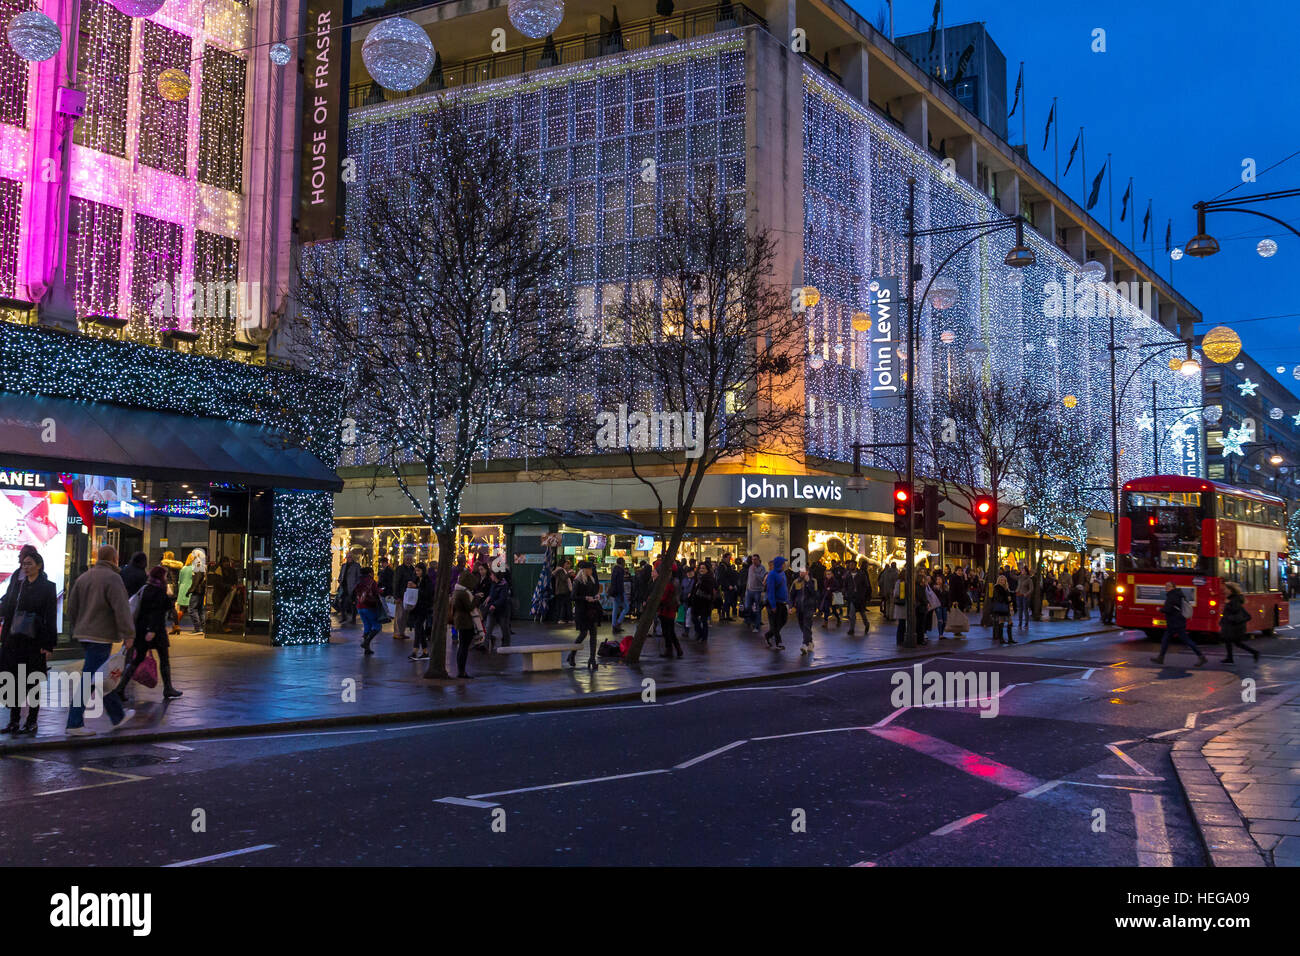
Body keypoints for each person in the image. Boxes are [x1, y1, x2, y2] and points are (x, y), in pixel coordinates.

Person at [64, 545, 136, 736]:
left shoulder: (84, 577)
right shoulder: (113, 578)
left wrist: (79, 624)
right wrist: (129, 634)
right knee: (90, 679)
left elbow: (71, 608)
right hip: (101, 636)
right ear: (115, 559)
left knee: (99, 676)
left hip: (84, 634)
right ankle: (74, 723)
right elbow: (121, 608)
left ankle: (117, 716)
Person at [0, 548, 58, 735]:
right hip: (14, 640)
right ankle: (14, 721)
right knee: (12, 681)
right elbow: (8, 609)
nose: (25, 567)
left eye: (29, 564)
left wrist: (49, 644)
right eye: (23, 564)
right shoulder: (18, 585)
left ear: (39, 566)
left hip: (34, 641)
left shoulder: (48, 586)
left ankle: (32, 721)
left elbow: (50, 616)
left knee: (32, 682)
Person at [119, 565, 182, 701]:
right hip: (155, 631)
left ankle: (121, 688)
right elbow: (157, 612)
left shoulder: (146, 588)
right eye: (164, 575)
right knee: (164, 659)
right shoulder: (158, 591)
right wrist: (152, 630)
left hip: (141, 629)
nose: (166, 578)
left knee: (138, 658)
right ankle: (168, 688)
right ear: (161, 576)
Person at [1152, 582, 1207, 666]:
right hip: (1177, 621)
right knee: (1167, 639)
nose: (1166, 587)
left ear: (1173, 587)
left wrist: (1160, 609)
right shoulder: (1178, 594)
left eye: (1168, 586)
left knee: (1183, 640)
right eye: (1166, 586)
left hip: (1175, 622)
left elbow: (1168, 609)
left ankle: (1201, 657)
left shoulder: (1172, 595)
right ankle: (1160, 658)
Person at [569, 562, 602, 669]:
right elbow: (573, 596)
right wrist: (585, 598)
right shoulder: (578, 581)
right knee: (583, 633)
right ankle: (572, 655)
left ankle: (592, 658)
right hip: (582, 611)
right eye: (590, 569)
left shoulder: (591, 579)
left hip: (591, 610)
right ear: (585, 570)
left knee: (593, 634)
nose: (592, 571)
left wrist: (596, 596)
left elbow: (594, 592)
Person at [1220, 582, 1260, 664]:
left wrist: (1228, 604)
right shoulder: (1234, 598)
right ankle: (1253, 653)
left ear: (1231, 590)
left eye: (1226, 589)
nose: (1224, 590)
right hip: (1233, 624)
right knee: (1234, 642)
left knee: (1231, 641)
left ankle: (1230, 658)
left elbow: (1235, 610)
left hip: (1234, 625)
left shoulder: (1234, 600)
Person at [450, 571, 481, 678]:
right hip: (465, 621)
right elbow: (469, 607)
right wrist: (477, 598)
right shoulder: (463, 593)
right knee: (464, 647)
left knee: (462, 646)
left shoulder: (457, 591)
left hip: (460, 620)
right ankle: (461, 671)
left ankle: (461, 671)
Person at [652, 568, 682, 658]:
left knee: (667, 631)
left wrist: (655, 600)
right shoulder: (673, 583)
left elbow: (664, 598)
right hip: (670, 610)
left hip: (666, 610)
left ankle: (670, 649)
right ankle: (677, 649)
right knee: (671, 631)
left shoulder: (667, 584)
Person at [408, 562, 434, 662]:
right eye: (416, 570)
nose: (417, 572)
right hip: (416, 607)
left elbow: (428, 593)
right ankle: (425, 651)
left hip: (424, 607)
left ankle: (415, 650)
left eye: (418, 570)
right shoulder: (417, 579)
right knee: (420, 629)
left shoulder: (427, 581)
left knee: (418, 626)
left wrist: (416, 588)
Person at [354, 567, 383, 654]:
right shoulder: (371, 581)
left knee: (367, 626)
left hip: (360, 606)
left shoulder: (358, 580)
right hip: (369, 606)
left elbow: (355, 591)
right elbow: (376, 592)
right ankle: (366, 642)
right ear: (370, 573)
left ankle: (367, 649)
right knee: (377, 626)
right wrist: (381, 590)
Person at [763, 556, 790, 650]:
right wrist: (773, 605)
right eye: (783, 563)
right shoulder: (772, 575)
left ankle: (768, 635)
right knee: (775, 623)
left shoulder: (782, 573)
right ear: (779, 564)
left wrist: (788, 602)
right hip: (774, 603)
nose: (785, 565)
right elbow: (770, 591)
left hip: (782, 602)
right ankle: (779, 643)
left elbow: (785, 588)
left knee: (783, 620)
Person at [483, 569, 513, 650]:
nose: (490, 576)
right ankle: (485, 644)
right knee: (488, 627)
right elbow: (492, 593)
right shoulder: (493, 583)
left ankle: (506, 644)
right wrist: (489, 597)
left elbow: (503, 598)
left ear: (495, 575)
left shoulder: (504, 585)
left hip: (502, 611)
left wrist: (495, 605)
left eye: (491, 574)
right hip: (492, 610)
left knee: (504, 628)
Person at [791, 567, 819, 654]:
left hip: (809, 607)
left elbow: (814, 593)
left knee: (807, 625)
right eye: (800, 571)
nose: (801, 573)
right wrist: (791, 606)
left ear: (807, 572)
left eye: (803, 571)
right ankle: (810, 642)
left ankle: (805, 644)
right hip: (799, 607)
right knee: (802, 626)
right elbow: (792, 595)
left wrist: (808, 582)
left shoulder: (813, 581)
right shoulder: (796, 582)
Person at [846, 558, 872, 635]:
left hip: (860, 597)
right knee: (852, 613)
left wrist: (863, 594)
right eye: (850, 565)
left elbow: (866, 585)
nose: (851, 566)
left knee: (862, 613)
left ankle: (866, 624)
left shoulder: (861, 574)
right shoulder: (848, 575)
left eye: (852, 565)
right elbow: (846, 585)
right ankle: (851, 629)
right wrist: (846, 592)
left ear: (855, 565)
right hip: (852, 596)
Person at [393, 554, 416, 639]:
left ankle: (401, 632)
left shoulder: (413, 569)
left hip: (409, 595)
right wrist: (396, 596)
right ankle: (397, 632)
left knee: (405, 615)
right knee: (400, 614)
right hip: (401, 595)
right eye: (407, 559)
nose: (409, 560)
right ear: (404, 560)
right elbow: (396, 582)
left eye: (410, 559)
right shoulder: (400, 569)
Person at [692, 564, 716, 643]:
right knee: (694, 618)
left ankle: (704, 637)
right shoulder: (697, 578)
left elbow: (708, 590)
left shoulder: (709, 578)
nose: (701, 569)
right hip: (696, 601)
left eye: (703, 568)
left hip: (705, 602)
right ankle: (700, 633)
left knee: (704, 620)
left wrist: (700, 585)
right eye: (700, 568)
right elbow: (694, 588)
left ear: (707, 570)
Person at [743, 554, 766, 632]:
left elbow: (763, 579)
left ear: (759, 559)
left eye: (755, 559)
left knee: (757, 609)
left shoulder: (762, 568)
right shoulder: (750, 567)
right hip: (749, 591)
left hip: (757, 591)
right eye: (752, 559)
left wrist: (756, 573)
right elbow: (748, 579)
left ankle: (757, 626)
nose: (753, 561)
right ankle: (750, 620)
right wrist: (746, 590)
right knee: (747, 607)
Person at [991, 574, 1014, 645]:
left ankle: (1010, 639)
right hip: (1000, 608)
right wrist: (1007, 599)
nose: (1002, 581)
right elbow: (999, 598)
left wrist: (1009, 600)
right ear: (998, 581)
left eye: (1003, 580)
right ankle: (1001, 639)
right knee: (1001, 623)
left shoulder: (1006, 588)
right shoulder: (997, 588)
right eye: (1001, 580)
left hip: (1006, 608)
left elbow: (1009, 597)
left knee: (1010, 622)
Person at [609, 557, 628, 634]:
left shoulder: (614, 569)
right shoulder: (620, 570)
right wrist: (622, 595)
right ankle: (618, 623)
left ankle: (614, 626)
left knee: (615, 609)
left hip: (614, 592)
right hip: (619, 592)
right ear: (622, 563)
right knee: (626, 607)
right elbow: (620, 584)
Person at [551, 559, 573, 624]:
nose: (568, 565)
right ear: (563, 564)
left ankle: (564, 619)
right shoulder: (560, 570)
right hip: (562, 591)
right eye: (566, 564)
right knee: (563, 605)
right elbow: (563, 578)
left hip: (561, 591)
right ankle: (561, 619)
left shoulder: (561, 570)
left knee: (564, 605)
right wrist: (569, 573)